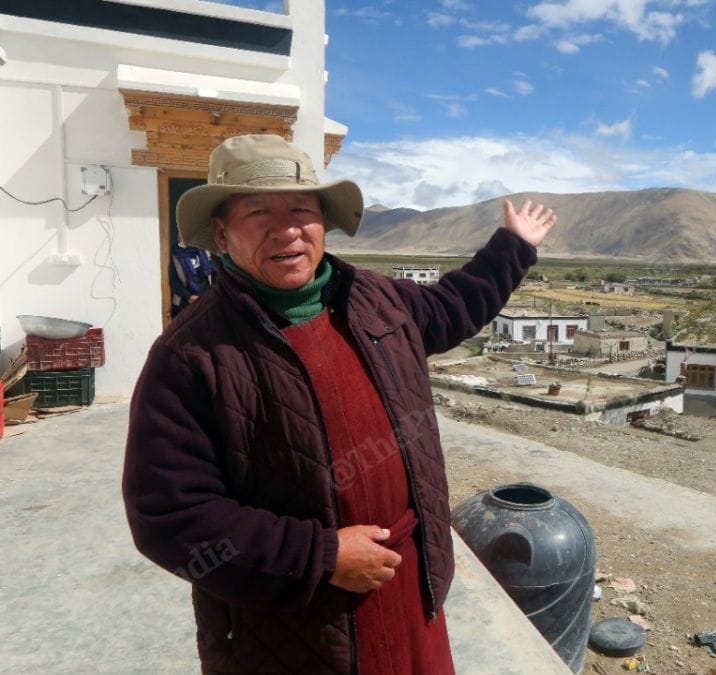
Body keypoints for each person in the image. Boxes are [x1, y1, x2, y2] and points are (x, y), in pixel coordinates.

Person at [122, 134, 555, 674]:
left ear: (323, 222)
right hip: (295, 626)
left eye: (302, 210)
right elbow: (169, 517)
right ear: (220, 233)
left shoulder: (377, 299)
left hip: (408, 590)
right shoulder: (190, 355)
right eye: (259, 212)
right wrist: (319, 557)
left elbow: (452, 308)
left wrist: (513, 247)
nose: (287, 230)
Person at [168, 236, 216, 317]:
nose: (182, 234)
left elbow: (214, 273)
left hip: (205, 299)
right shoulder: (175, 253)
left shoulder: (203, 250)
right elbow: (173, 281)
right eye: (179, 231)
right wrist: (189, 297)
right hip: (184, 302)